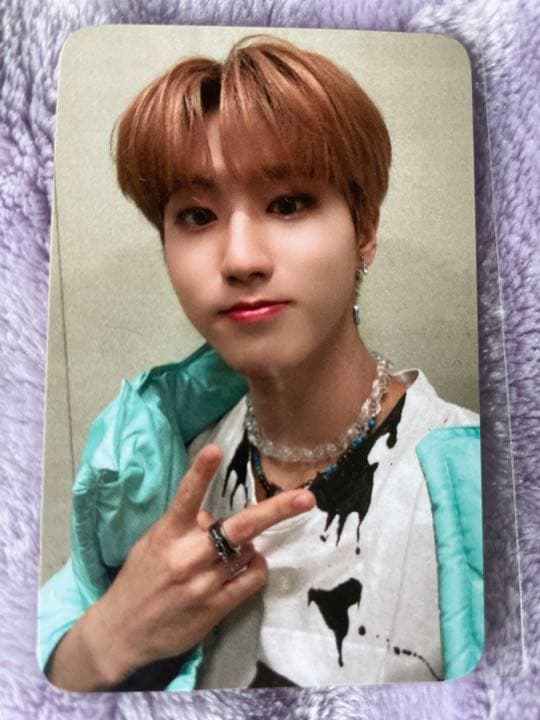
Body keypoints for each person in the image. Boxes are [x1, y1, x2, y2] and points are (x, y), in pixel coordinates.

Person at [38, 35, 483, 691]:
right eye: (197, 215)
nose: (241, 258)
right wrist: (110, 637)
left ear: (364, 228)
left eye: (288, 203)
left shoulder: (480, 488)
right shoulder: (148, 467)